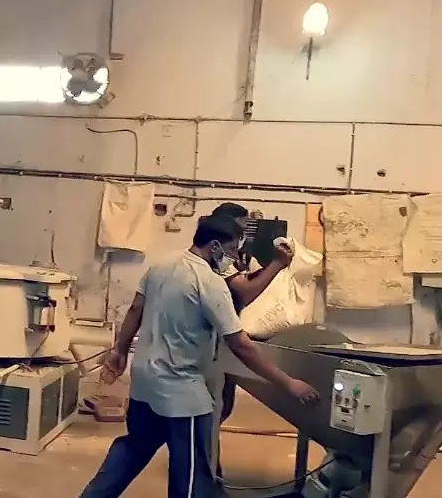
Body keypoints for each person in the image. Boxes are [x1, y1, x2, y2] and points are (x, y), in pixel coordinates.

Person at [79, 215, 317, 498]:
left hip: (144, 382)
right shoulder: (209, 282)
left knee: (133, 448)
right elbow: (241, 345)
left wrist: (120, 350)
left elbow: (134, 310)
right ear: (214, 246)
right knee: (191, 475)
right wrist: (288, 383)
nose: (231, 260)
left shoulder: (160, 266)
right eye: (229, 252)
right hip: (183, 394)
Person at [209, 203, 293, 428]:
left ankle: (203, 456)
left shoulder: (233, 257)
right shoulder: (219, 258)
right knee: (216, 405)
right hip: (215, 339)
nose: (244, 235)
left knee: (219, 405)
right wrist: (277, 264)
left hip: (220, 337)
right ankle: (203, 459)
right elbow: (245, 292)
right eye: (242, 227)